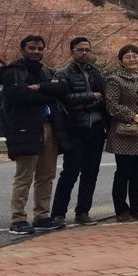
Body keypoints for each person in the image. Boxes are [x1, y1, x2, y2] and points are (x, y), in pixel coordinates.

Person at [0, 35, 69, 235]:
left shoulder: (46, 71)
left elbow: (63, 90)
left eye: (40, 48)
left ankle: (42, 216)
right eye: (32, 48)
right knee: (24, 177)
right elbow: (19, 95)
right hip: (25, 130)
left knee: (46, 175)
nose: (36, 51)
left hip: (50, 128)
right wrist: (48, 93)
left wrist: (40, 88)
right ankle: (18, 219)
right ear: (22, 50)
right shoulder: (13, 72)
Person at [50, 36, 107, 226]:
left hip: (96, 128)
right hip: (74, 129)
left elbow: (104, 98)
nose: (84, 53)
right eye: (80, 50)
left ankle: (83, 211)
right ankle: (58, 213)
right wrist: (91, 96)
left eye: (87, 50)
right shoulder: (63, 74)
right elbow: (65, 99)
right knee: (70, 172)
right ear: (72, 51)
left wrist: (86, 103)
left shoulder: (96, 73)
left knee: (91, 173)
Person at [104, 44, 138, 222]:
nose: (132, 59)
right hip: (124, 131)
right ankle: (121, 209)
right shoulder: (115, 79)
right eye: (127, 57)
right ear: (121, 61)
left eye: (135, 56)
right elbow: (111, 104)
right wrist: (132, 116)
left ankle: (136, 207)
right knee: (123, 171)